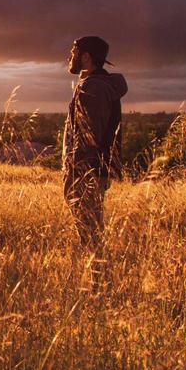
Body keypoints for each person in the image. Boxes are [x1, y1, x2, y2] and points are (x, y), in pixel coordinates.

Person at [62, 35, 128, 249]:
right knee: (89, 227)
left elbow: (91, 135)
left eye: (74, 53)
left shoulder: (94, 88)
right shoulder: (93, 85)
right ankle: (94, 266)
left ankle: (96, 270)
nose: (70, 57)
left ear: (86, 57)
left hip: (87, 171)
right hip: (89, 170)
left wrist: (82, 171)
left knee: (89, 230)